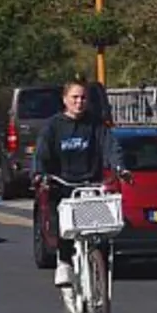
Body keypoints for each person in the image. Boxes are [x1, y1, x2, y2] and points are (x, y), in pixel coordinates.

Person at [34, 79, 128, 289]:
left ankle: (98, 271)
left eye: (83, 97)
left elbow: (110, 148)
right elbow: (42, 153)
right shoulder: (53, 126)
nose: (79, 102)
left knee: (100, 229)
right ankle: (64, 262)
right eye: (75, 97)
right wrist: (40, 174)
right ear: (65, 100)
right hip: (63, 185)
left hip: (91, 184)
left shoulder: (96, 124)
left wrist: (120, 168)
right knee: (63, 222)